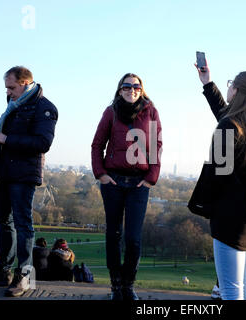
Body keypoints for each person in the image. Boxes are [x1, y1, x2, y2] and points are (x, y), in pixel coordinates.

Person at [191, 61, 246, 300]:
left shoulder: (229, 126)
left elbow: (216, 174)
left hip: (230, 220)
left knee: (230, 289)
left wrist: (206, 204)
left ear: (237, 91)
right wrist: (208, 84)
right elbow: (225, 115)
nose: (228, 89)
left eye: (231, 85)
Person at [0, 66, 58, 297]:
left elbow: (42, 143)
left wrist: (7, 138)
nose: (8, 92)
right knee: (4, 221)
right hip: (5, 171)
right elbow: (8, 144)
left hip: (24, 175)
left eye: (11, 87)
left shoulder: (45, 108)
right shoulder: (14, 105)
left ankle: (24, 277)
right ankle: (3, 271)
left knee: (23, 224)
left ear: (25, 83)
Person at [91, 73, 162, 300]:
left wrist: (151, 178)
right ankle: (115, 285)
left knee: (133, 238)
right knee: (113, 234)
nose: (132, 89)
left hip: (138, 184)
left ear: (142, 90)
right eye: (127, 86)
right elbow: (97, 145)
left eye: (136, 86)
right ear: (120, 90)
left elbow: (156, 147)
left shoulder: (150, 112)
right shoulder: (110, 112)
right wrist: (100, 174)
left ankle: (128, 284)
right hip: (113, 181)